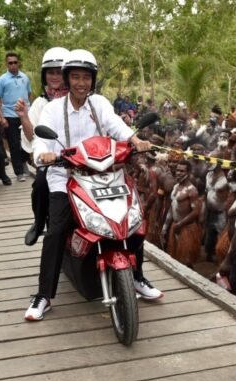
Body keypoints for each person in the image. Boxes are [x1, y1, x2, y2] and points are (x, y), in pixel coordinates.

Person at [25, 49, 157, 320]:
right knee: (56, 230)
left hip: (103, 175)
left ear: (92, 79)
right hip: (66, 176)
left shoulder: (99, 104)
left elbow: (116, 126)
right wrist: (43, 154)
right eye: (75, 77)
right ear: (67, 79)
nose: (81, 82)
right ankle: (44, 295)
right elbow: (41, 139)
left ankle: (138, 277)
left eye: (86, 77)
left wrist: (134, 140)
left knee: (131, 221)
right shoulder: (52, 109)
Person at [17, 47, 70, 245]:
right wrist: (23, 116)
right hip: (52, 162)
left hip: (82, 159)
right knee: (40, 184)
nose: (55, 77)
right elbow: (33, 138)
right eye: (51, 72)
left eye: (59, 71)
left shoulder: (82, 99)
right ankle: (39, 222)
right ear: (44, 75)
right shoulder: (41, 103)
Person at [0, 52, 33, 182]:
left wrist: (31, 110)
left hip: (25, 115)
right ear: (6, 64)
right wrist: (2, 117)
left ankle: (24, 163)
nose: (13, 65)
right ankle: (19, 172)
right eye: (10, 63)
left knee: (27, 141)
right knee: (14, 144)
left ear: (18, 63)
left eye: (15, 62)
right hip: (9, 115)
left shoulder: (25, 77)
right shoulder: (2, 79)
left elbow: (29, 94)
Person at [162, 160, 203, 268]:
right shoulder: (176, 187)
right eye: (177, 170)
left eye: (182, 171)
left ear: (188, 173)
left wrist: (180, 224)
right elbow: (172, 208)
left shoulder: (192, 190)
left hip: (187, 228)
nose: (178, 173)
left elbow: (196, 212)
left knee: (186, 260)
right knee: (174, 257)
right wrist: (165, 227)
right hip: (175, 226)